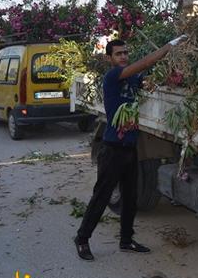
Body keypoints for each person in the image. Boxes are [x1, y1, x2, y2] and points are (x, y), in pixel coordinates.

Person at [74, 35, 186, 261]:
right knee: (102, 196)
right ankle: (82, 238)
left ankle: (126, 240)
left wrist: (173, 73)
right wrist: (169, 46)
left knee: (130, 197)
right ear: (110, 58)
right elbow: (145, 64)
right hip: (113, 148)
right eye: (118, 54)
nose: (123, 56)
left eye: (125, 53)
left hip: (130, 146)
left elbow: (147, 79)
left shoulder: (132, 77)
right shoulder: (112, 75)